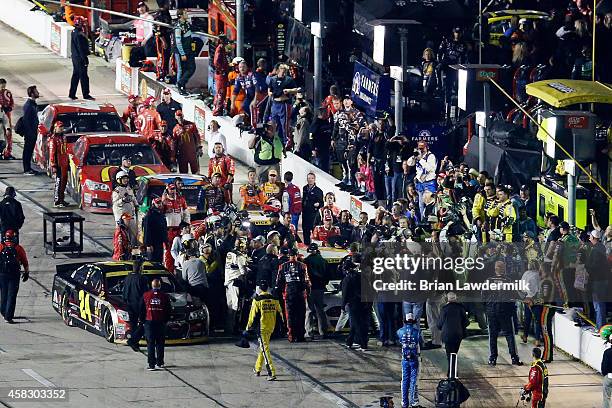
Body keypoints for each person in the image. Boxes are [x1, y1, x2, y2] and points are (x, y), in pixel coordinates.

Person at [485, 261, 523, 367]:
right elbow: (516, 294)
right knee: (509, 334)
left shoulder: (489, 281)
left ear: (495, 269)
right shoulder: (508, 281)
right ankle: (514, 358)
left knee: (492, 335)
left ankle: (492, 359)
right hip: (505, 311)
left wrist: (488, 307)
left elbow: (483, 296)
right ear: (504, 269)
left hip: (492, 312)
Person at [245, 281, 284, 381]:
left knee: (265, 348)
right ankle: (257, 368)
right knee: (264, 347)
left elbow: (252, 316)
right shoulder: (274, 299)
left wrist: (248, 328)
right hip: (271, 327)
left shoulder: (257, 300)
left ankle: (271, 371)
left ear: (260, 289)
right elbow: (280, 313)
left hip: (262, 328)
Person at [276, 248, 310, 342]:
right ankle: (300, 336)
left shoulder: (282, 266)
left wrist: (283, 292)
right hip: (300, 294)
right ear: (297, 255)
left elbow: (278, 282)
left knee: (290, 315)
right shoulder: (303, 266)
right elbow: (307, 281)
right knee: (301, 315)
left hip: (289, 294)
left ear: (288, 256)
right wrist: (307, 292)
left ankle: (291, 336)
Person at [141, 278, 171, 370]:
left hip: (149, 322)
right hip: (161, 322)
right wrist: (165, 320)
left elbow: (141, 309)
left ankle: (151, 365)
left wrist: (143, 321)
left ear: (152, 286)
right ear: (160, 286)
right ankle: (160, 362)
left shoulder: (145, 295)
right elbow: (168, 310)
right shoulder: (165, 296)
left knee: (150, 343)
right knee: (160, 343)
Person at [267, 64, 300, 147]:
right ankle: (273, 139)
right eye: (282, 69)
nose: (283, 72)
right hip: (275, 103)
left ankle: (287, 141)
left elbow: (296, 90)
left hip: (284, 103)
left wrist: (288, 91)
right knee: (274, 123)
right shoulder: (273, 79)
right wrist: (271, 94)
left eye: (285, 70)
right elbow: (269, 90)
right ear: (278, 70)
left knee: (285, 124)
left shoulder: (289, 80)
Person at [0, 230, 29, 324]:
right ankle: (8, 316)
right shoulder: (18, 248)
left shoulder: (1, 246)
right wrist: (26, 272)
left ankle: (4, 312)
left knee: (4, 294)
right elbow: (24, 261)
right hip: (14, 274)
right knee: (12, 295)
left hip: (2, 274)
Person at [437, 292, 469, 375]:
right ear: (456, 298)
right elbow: (466, 322)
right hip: (458, 334)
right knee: (454, 352)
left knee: (449, 353)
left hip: (447, 334)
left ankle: (451, 371)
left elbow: (439, 324)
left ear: (447, 299)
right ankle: (453, 371)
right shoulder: (461, 308)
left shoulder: (444, 309)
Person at [304, 243, 330, 339]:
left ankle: (309, 332)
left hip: (310, 289)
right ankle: (323, 331)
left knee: (309, 310)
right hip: (320, 288)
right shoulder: (323, 261)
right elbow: (328, 275)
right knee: (320, 310)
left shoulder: (306, 261)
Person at [162, 183, 189, 272]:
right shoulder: (164, 202)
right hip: (168, 230)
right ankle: (169, 271)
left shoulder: (181, 199)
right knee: (169, 251)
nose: (173, 191)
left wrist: (187, 225)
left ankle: (181, 269)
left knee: (182, 250)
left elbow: (186, 213)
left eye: (174, 189)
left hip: (179, 230)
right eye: (171, 189)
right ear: (167, 190)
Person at [397, 313, 422, 408]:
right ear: (413, 321)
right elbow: (421, 342)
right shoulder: (417, 332)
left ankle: (404, 402)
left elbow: (399, 340)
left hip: (404, 359)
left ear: (405, 321)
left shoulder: (400, 331)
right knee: (414, 381)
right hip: (414, 359)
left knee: (404, 380)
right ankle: (413, 402)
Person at [122, 260, 149, 351]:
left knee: (133, 324)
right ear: (140, 268)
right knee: (144, 324)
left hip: (129, 304)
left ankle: (135, 343)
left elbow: (124, 292)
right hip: (140, 305)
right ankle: (133, 340)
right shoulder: (142, 279)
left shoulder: (127, 277)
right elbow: (145, 294)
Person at [406, 140, 437, 218]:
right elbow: (409, 163)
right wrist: (414, 156)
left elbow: (430, 168)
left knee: (430, 204)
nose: (421, 150)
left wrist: (421, 160)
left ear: (427, 148)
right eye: (420, 148)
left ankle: (431, 220)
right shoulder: (417, 155)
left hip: (429, 183)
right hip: (420, 183)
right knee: (421, 205)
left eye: (423, 148)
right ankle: (422, 221)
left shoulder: (431, 156)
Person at [224, 238, 248, 334]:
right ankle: (234, 327)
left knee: (229, 306)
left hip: (228, 282)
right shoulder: (240, 256)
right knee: (235, 306)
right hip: (235, 282)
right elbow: (243, 272)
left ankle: (228, 327)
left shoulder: (229, 254)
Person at [68, 16, 94, 100]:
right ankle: (86, 94)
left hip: (75, 57)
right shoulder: (79, 34)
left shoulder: (74, 32)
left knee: (76, 75)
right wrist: (84, 59)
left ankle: (72, 94)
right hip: (80, 58)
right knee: (84, 77)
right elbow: (80, 48)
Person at [588, 229, 609, 329]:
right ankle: (601, 325)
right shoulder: (602, 247)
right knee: (601, 304)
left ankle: (600, 327)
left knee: (598, 305)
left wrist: (587, 268)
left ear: (592, 238)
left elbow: (595, 266)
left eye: (590, 237)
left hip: (598, 280)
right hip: (603, 279)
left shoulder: (596, 250)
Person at [111, 171, 138, 246]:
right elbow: (115, 203)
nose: (126, 180)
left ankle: (133, 248)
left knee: (133, 232)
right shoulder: (117, 191)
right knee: (121, 233)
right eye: (124, 178)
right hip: (121, 215)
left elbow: (133, 197)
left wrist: (136, 205)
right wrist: (122, 200)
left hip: (130, 213)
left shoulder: (129, 188)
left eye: (126, 178)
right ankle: (120, 249)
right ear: (119, 180)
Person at [174, 9, 195, 95]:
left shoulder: (187, 24)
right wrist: (182, 53)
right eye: (185, 13)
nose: (187, 14)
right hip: (181, 52)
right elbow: (178, 42)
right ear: (181, 15)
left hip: (189, 50)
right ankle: (180, 87)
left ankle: (181, 84)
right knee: (181, 69)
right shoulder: (178, 27)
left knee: (191, 68)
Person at [48, 122, 70, 208]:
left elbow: (65, 151)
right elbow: (52, 153)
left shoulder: (63, 137)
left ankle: (61, 199)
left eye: (62, 127)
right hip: (58, 164)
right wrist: (53, 165)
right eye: (60, 127)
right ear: (55, 128)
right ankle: (57, 201)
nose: (61, 129)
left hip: (64, 163)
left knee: (64, 182)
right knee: (59, 182)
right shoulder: (53, 139)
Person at [21, 85, 39, 175]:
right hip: (29, 133)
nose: (38, 92)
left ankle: (28, 168)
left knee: (30, 151)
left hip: (32, 132)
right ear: (32, 93)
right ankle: (26, 169)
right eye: (36, 91)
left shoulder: (32, 104)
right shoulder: (28, 105)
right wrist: (30, 133)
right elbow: (26, 121)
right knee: (27, 151)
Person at [142, 197, 167, 262]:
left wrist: (165, 240)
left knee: (159, 260)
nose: (160, 204)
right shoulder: (149, 214)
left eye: (160, 203)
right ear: (154, 204)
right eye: (158, 203)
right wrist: (148, 244)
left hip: (160, 242)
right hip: (153, 243)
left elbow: (164, 228)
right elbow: (146, 230)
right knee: (153, 261)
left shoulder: (161, 214)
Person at [301, 173, 323, 245]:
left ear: (314, 179)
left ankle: (315, 246)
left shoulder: (319, 191)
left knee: (314, 231)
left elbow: (321, 203)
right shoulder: (304, 188)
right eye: (309, 178)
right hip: (305, 214)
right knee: (305, 230)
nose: (310, 180)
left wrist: (318, 204)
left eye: (312, 178)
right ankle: (306, 245)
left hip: (313, 215)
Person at [0, 79, 15, 160]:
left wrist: (9, 108)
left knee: (9, 134)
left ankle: (7, 153)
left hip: (7, 115)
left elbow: (12, 103)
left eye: (4, 85)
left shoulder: (8, 92)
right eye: (2, 85)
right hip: (0, 115)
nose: (3, 87)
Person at [601, 325, 612, 408]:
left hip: (609, 376)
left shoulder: (607, 351)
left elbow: (604, 366)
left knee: (606, 398)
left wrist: (605, 374)